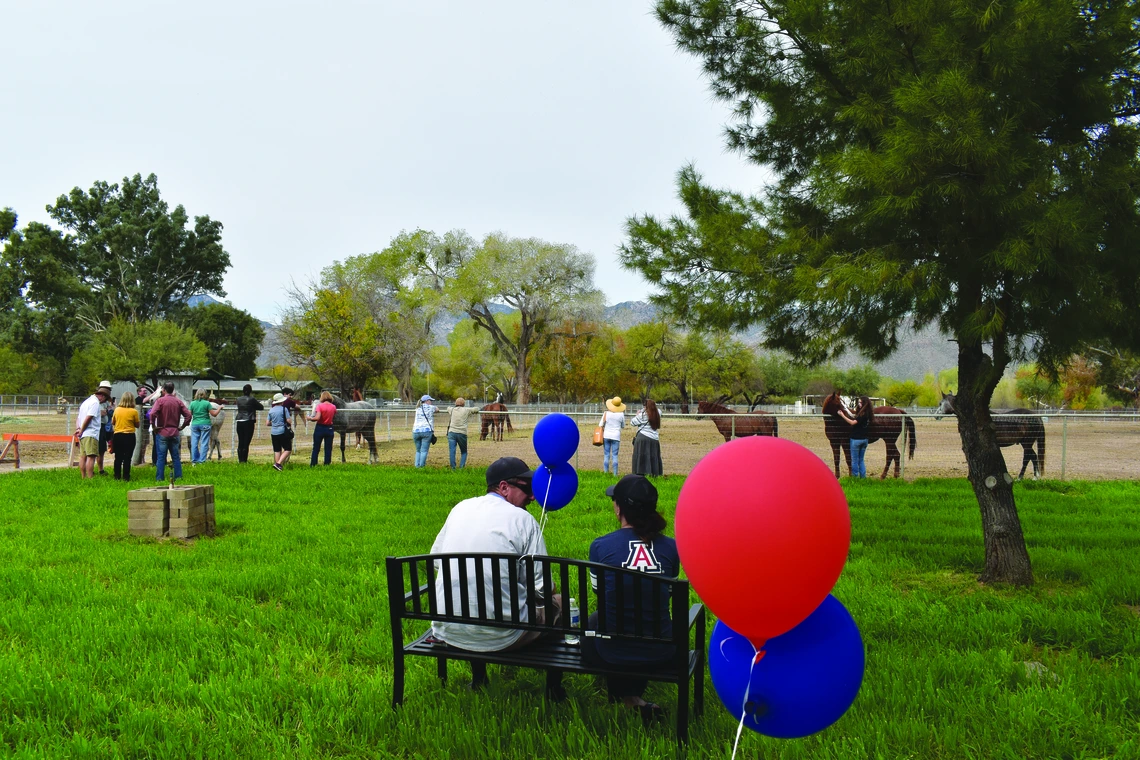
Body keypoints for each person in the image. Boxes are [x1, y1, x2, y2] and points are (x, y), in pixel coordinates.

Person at [430, 457, 562, 691]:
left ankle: (479, 679)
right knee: (559, 603)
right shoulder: (523, 520)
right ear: (503, 487)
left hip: (448, 629)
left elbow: (437, 562)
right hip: (504, 636)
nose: (532, 497)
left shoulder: (460, 508)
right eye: (527, 489)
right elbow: (542, 588)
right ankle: (554, 689)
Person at [586, 474, 680, 724]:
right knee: (641, 622)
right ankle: (632, 698)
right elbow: (665, 595)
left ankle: (627, 697)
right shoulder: (671, 548)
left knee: (598, 621)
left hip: (610, 651)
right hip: (663, 650)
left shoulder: (600, 546)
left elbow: (600, 593)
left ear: (619, 508)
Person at [150, 382, 191, 482]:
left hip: (162, 431)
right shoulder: (178, 401)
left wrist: (154, 426)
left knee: (161, 457)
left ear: (163, 390)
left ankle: (159, 478)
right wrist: (182, 426)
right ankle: (178, 477)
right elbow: (188, 415)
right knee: (176, 457)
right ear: (173, 390)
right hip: (174, 432)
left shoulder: (160, 401)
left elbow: (152, 414)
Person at [74, 385, 111, 479]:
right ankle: (90, 477)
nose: (104, 401)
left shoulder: (86, 402)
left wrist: (78, 429)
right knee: (91, 456)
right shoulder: (95, 403)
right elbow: (89, 417)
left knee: (83, 456)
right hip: (91, 433)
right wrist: (82, 430)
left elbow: (78, 418)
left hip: (83, 434)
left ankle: (83, 477)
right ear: (102, 395)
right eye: (105, 398)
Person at [838, 395, 874, 478]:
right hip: (865, 440)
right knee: (861, 460)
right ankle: (863, 477)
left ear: (864, 403)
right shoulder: (868, 414)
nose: (859, 404)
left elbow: (852, 422)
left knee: (854, 460)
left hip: (856, 440)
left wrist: (842, 415)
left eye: (861, 402)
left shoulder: (862, 415)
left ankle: (855, 478)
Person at [111, 391, 140, 481]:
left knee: (118, 457)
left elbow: (113, 422)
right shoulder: (134, 411)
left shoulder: (117, 410)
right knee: (128, 457)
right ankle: (126, 477)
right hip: (129, 435)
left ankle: (117, 476)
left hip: (118, 435)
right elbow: (137, 425)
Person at [630, 399, 663, 477]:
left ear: (645, 406)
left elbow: (632, 422)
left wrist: (637, 414)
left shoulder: (642, 415)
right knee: (653, 455)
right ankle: (654, 473)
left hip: (643, 436)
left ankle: (640, 472)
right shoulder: (658, 413)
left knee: (641, 455)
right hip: (654, 438)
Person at [445, 397, 478, 470]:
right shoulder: (466, 410)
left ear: (455, 403)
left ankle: (453, 468)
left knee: (452, 451)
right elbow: (476, 409)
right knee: (464, 452)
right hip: (462, 433)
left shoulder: (452, 410)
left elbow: (448, 408)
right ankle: (461, 467)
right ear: (464, 404)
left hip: (452, 432)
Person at [188, 389, 220, 465]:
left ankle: (194, 461)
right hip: (205, 424)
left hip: (195, 424)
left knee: (194, 443)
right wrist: (219, 408)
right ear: (205, 395)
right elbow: (214, 414)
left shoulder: (192, 403)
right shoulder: (207, 403)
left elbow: (189, 414)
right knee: (204, 443)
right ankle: (202, 461)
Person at [234, 384, 264, 463]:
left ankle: (240, 460)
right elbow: (261, 407)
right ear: (250, 391)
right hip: (249, 421)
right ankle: (244, 460)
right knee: (246, 442)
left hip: (239, 420)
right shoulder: (252, 399)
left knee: (241, 441)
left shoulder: (238, 399)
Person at [307, 391, 337, 466]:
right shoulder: (333, 407)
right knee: (328, 448)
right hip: (329, 428)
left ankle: (313, 464)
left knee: (316, 447)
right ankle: (327, 464)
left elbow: (317, 418)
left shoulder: (320, 406)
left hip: (320, 427)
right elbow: (334, 416)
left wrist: (310, 418)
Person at [599, 396, 626, 476]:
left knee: (606, 454)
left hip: (606, 435)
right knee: (615, 455)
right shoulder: (621, 414)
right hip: (616, 436)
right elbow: (623, 425)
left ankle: (605, 472)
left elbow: (601, 424)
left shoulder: (606, 414)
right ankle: (615, 474)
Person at [267, 392, 294, 471]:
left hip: (273, 432)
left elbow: (267, 423)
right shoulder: (284, 409)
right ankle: (278, 463)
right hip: (282, 431)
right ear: (282, 401)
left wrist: (274, 422)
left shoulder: (271, 410)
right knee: (288, 449)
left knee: (277, 450)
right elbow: (289, 421)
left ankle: (278, 466)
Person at [412, 394, 438, 468]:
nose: (431, 402)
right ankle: (422, 466)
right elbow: (437, 409)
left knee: (418, 450)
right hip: (426, 431)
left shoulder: (417, 408)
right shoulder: (431, 407)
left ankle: (417, 466)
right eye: (430, 400)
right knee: (424, 450)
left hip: (416, 431)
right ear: (427, 401)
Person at [96, 381, 113, 475]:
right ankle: (97, 469)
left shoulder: (105, 403)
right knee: (97, 449)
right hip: (98, 427)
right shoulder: (95, 402)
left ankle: (100, 469)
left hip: (105, 427)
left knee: (102, 449)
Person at [132, 385, 152, 468]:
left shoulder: (147, 401)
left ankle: (142, 458)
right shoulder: (138, 400)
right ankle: (139, 459)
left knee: (145, 443)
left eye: (146, 391)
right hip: (141, 426)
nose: (145, 392)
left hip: (146, 425)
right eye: (144, 391)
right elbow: (144, 400)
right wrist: (154, 392)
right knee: (140, 443)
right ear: (139, 392)